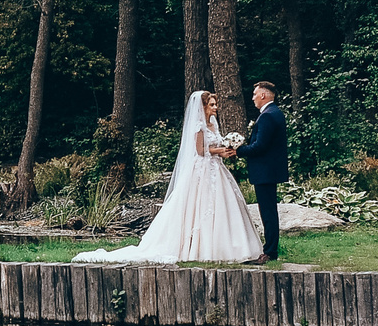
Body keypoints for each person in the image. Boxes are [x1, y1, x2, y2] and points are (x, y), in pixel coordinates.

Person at [74, 90, 263, 264]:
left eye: (215, 104)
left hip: (216, 168)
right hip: (202, 169)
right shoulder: (198, 127)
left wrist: (226, 148)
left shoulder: (213, 124)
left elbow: (213, 145)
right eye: (212, 105)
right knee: (198, 206)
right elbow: (200, 151)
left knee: (222, 206)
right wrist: (219, 151)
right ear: (203, 107)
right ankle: (195, 248)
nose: (215, 107)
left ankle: (228, 245)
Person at [231, 82, 289, 260]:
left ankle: (270, 251)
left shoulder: (267, 116)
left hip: (265, 171)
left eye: (255, 94)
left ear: (263, 95)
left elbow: (260, 147)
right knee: (269, 211)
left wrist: (238, 150)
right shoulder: (275, 113)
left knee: (268, 212)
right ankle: (270, 249)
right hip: (269, 171)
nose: (253, 97)